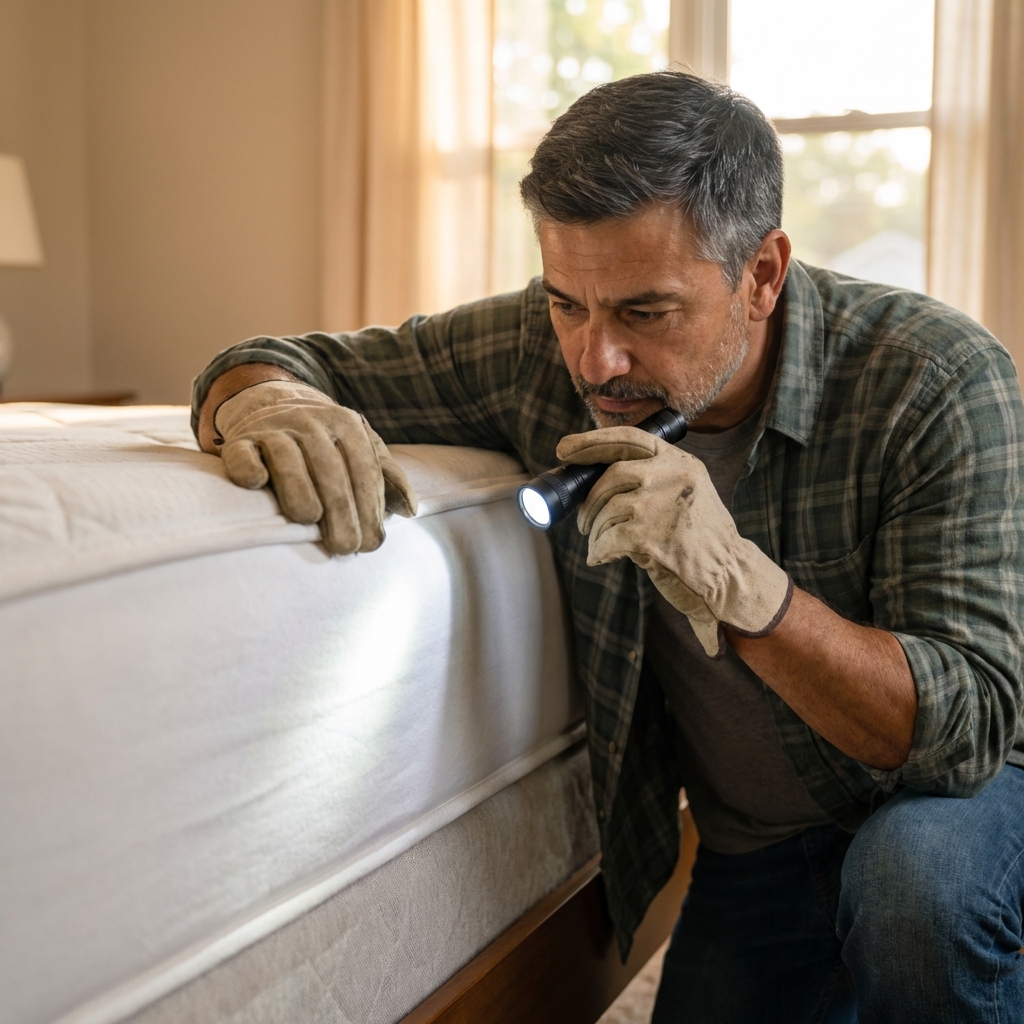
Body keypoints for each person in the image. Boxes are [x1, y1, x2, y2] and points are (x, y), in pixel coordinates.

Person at [191, 72, 1024, 1023]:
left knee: (915, 887)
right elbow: (284, 359)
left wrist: (749, 592)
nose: (595, 361)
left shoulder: (933, 377)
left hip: (955, 809)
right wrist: (267, 399)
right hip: (752, 846)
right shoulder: (541, 346)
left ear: (762, 274)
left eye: (645, 313)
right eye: (566, 304)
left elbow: (969, 730)